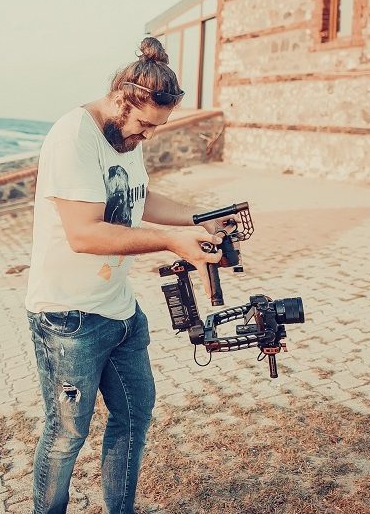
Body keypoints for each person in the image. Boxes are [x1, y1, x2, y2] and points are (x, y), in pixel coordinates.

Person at [25, 37, 222, 514]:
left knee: (134, 416)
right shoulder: (74, 136)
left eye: (156, 127)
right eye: (145, 124)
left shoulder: (124, 135)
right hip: (68, 318)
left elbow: (139, 197)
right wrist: (171, 242)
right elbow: (85, 235)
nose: (147, 135)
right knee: (67, 432)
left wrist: (197, 220)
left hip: (119, 309)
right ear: (120, 99)